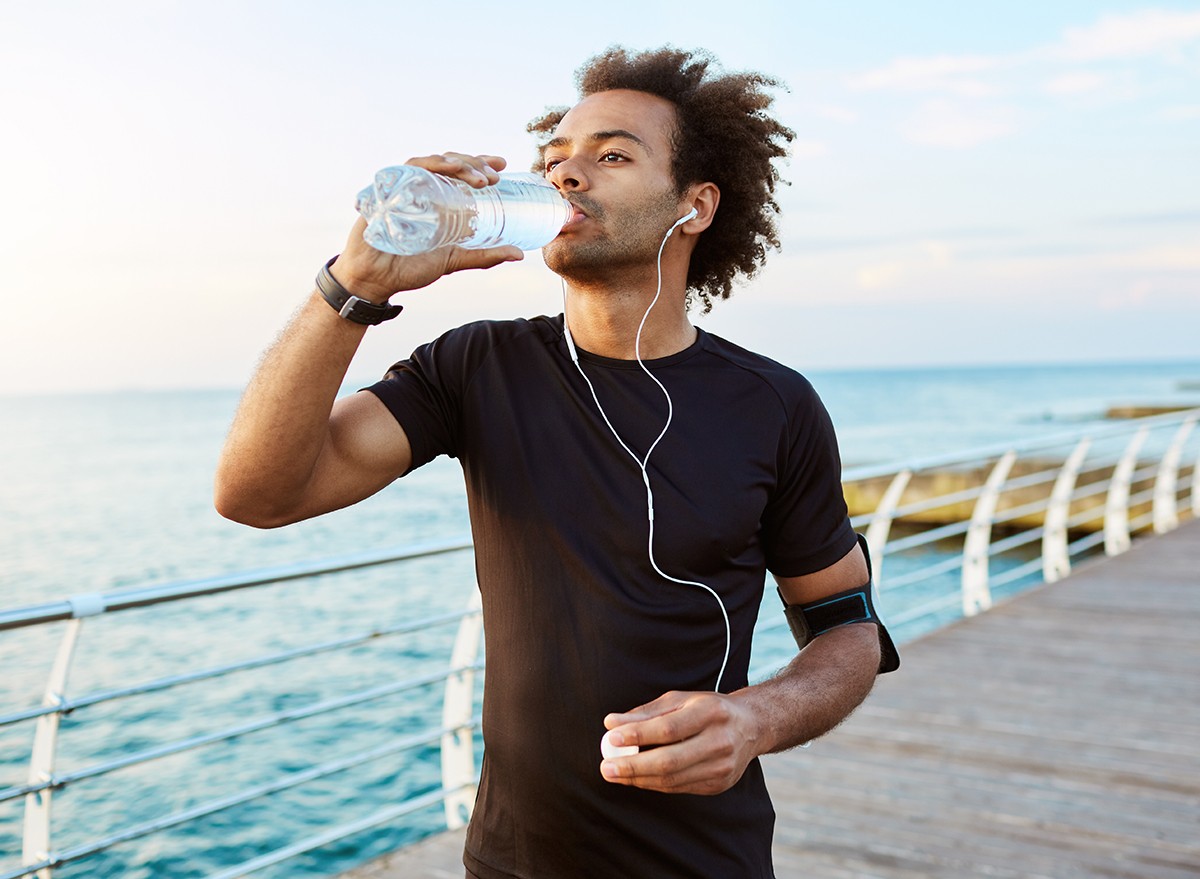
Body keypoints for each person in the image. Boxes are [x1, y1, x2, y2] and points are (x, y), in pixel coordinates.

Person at [215, 46, 897, 879]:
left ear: (696, 205)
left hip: (703, 859)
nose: (568, 175)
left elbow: (847, 628)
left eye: (611, 155)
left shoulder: (774, 403)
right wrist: (354, 282)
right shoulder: (475, 368)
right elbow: (257, 492)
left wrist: (756, 717)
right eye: (554, 160)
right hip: (512, 860)